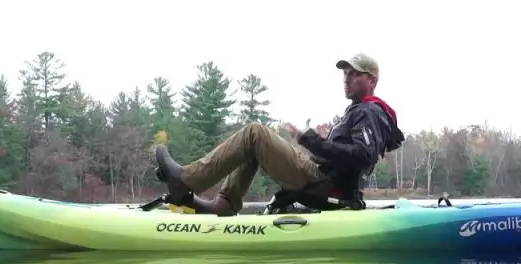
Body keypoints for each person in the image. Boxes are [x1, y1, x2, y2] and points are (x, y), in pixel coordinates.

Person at [154, 52, 405, 215]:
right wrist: (324, 139)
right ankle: (225, 203)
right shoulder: (360, 111)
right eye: (345, 73)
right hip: (322, 179)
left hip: (325, 186)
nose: (346, 79)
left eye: (355, 74)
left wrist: (311, 140)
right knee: (255, 144)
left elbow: (363, 155)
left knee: (255, 133)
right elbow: (349, 153)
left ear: (372, 80)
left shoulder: (370, 111)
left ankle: (187, 180)